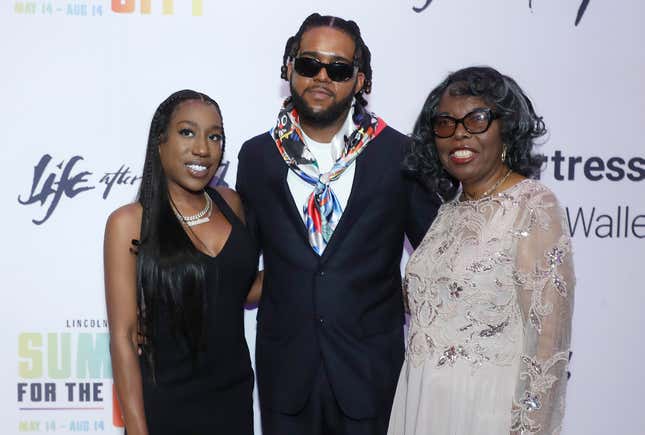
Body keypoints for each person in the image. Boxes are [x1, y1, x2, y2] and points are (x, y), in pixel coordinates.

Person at [235, 13, 439, 435]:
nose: (322, 77)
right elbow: (235, 262)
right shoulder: (256, 157)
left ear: (360, 80)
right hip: (286, 375)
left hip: (370, 373)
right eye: (309, 64)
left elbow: (442, 254)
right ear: (289, 67)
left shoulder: (399, 155)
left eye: (339, 69)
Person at [387, 66, 575, 435]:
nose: (459, 133)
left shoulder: (532, 206)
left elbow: (548, 348)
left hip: (483, 411)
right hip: (421, 404)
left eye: (476, 120)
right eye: (445, 123)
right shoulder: (449, 210)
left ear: (505, 127)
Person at [104, 89, 259, 434]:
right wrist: (137, 429)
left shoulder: (230, 204)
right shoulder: (128, 222)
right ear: (160, 142)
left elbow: (239, 290)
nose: (203, 148)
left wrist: (309, 268)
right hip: (167, 405)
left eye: (214, 136)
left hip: (233, 400)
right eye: (187, 132)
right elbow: (125, 336)